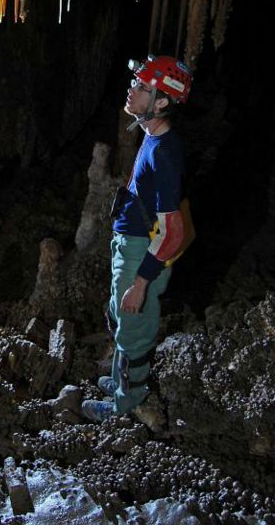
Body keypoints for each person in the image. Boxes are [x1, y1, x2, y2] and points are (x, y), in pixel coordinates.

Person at [81, 55, 192, 422]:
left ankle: (126, 403)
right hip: (130, 242)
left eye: (143, 88)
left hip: (143, 252)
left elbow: (173, 231)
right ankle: (120, 382)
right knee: (120, 317)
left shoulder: (165, 154)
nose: (132, 90)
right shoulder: (150, 136)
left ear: (162, 102)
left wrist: (141, 282)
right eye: (136, 82)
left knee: (134, 326)